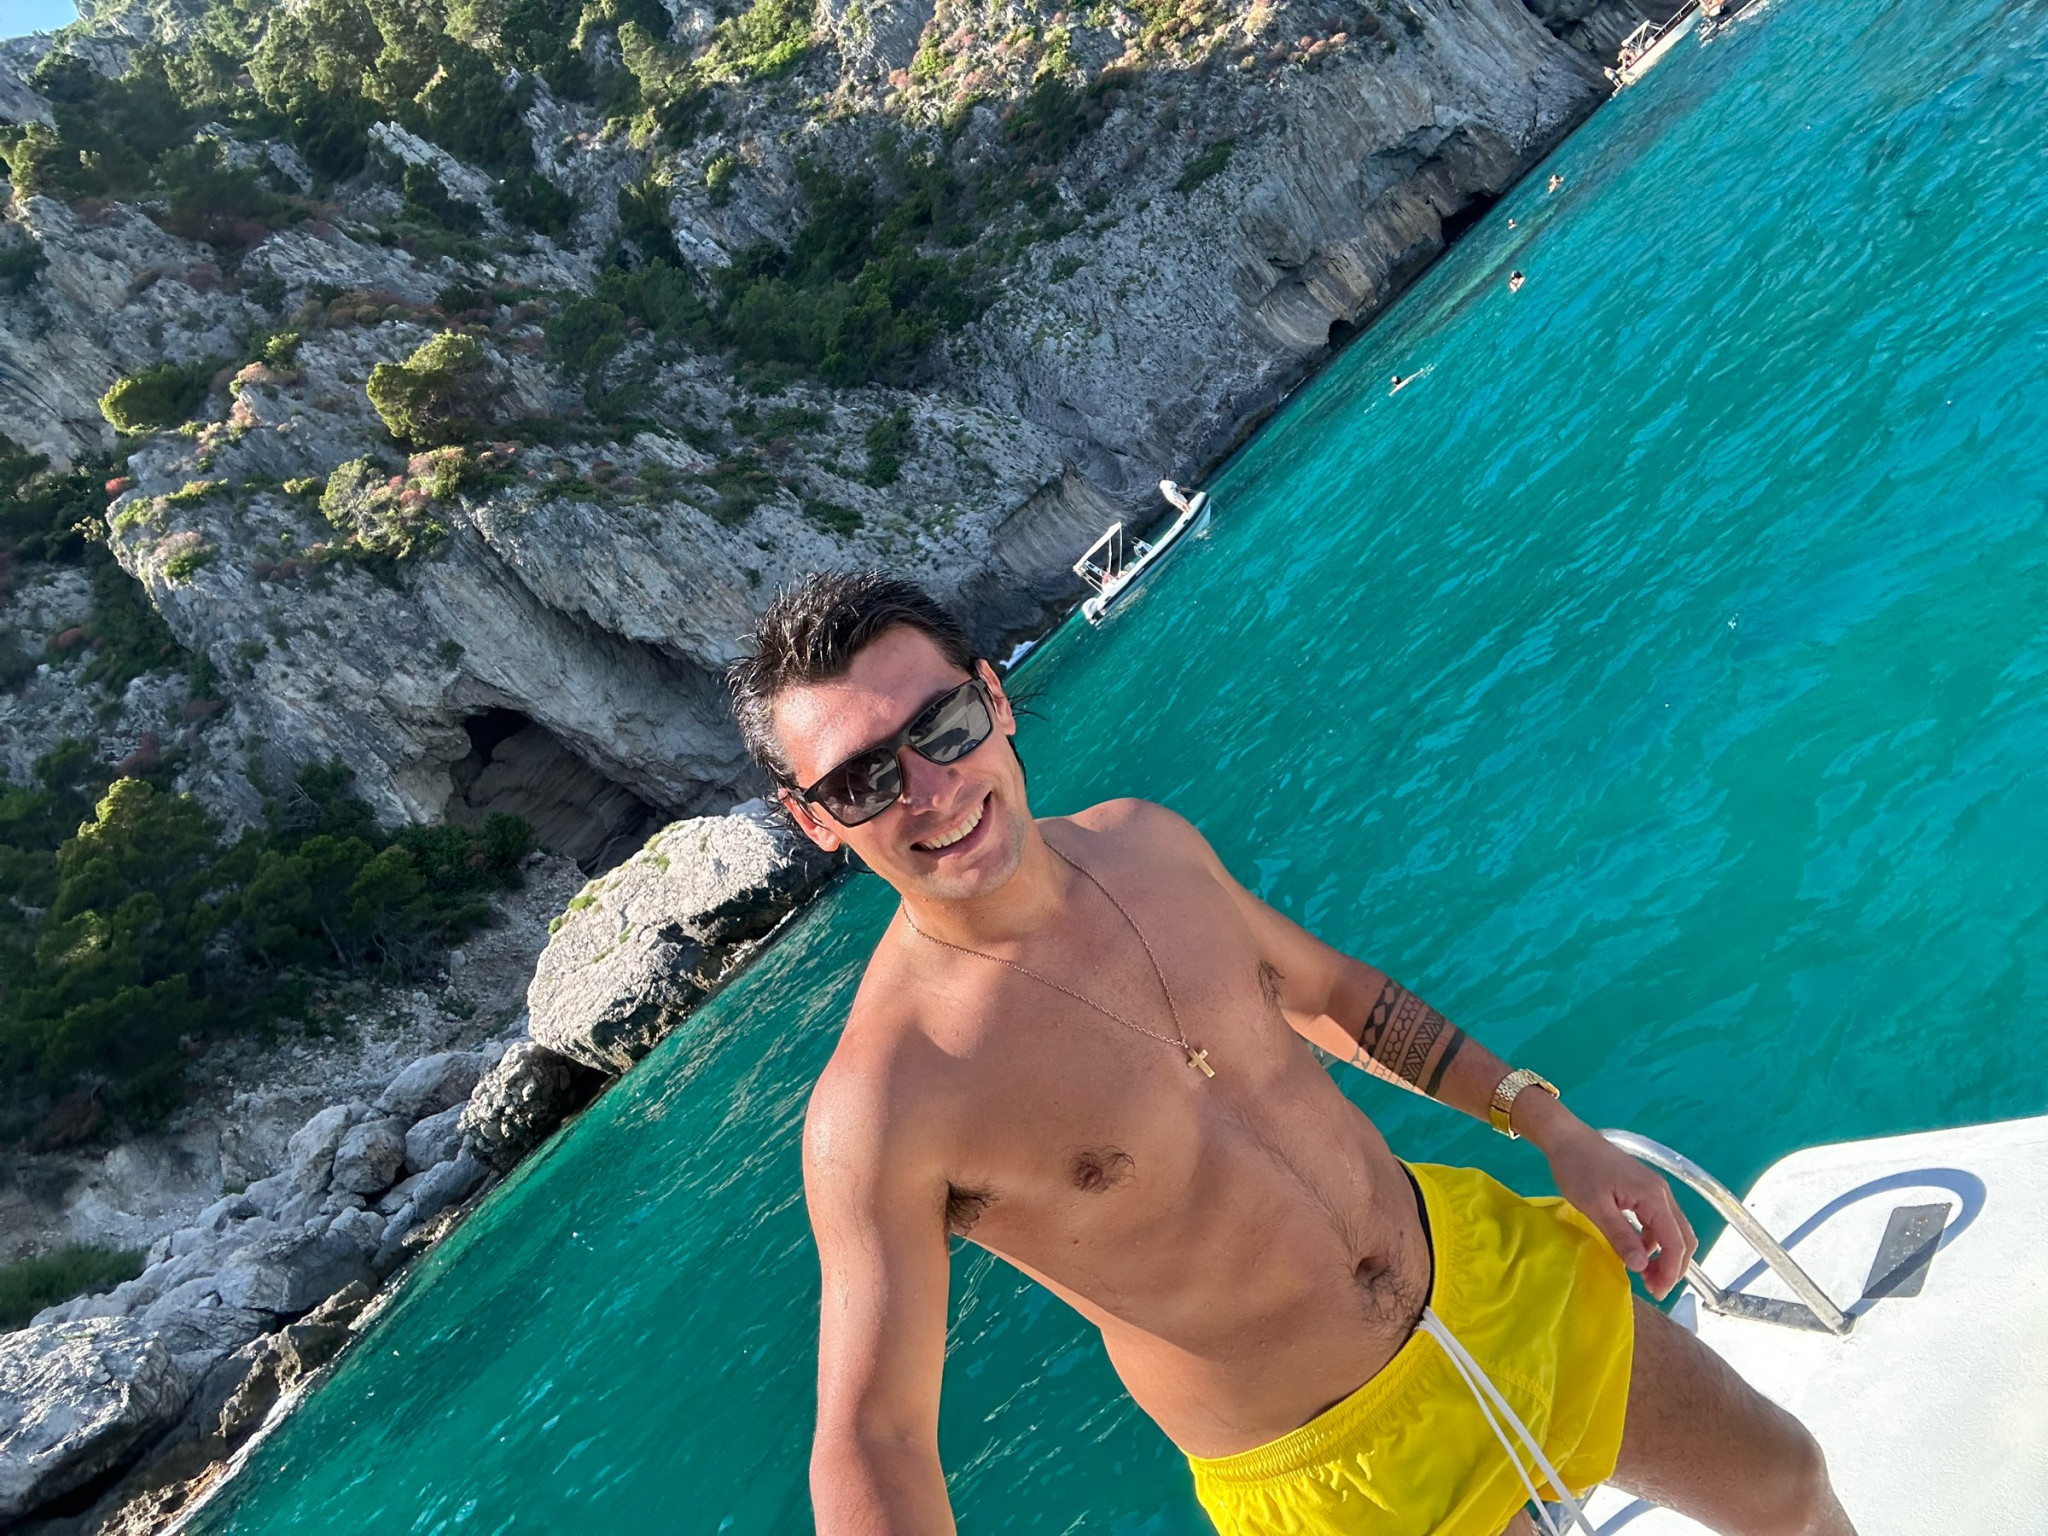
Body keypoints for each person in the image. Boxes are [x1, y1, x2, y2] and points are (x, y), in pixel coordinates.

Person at [727, 571, 1859, 1536]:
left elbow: (1332, 996)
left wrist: (1548, 1124)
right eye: (865, 780)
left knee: (1791, 1489)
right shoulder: (886, 1100)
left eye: (941, 728)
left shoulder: (1146, 846)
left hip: (1482, 1279)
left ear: (994, 697)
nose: (931, 790)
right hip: (1330, 1474)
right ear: (815, 820)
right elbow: (874, 1436)